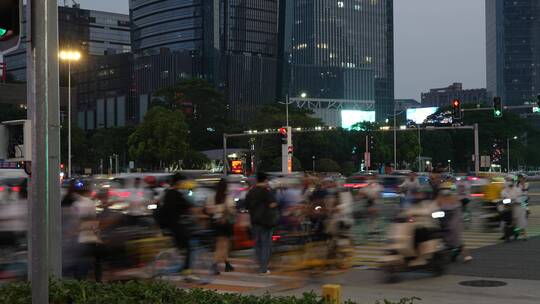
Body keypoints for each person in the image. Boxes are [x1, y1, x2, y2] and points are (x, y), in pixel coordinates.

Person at [158, 173, 197, 277]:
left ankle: (178, 261)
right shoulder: (177, 194)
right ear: (179, 182)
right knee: (189, 247)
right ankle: (187, 271)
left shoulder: (167, 193)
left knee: (180, 247)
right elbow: (188, 206)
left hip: (167, 225)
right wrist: (190, 192)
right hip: (175, 225)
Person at [245, 172, 278, 275]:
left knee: (258, 245)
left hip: (254, 221)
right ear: (265, 180)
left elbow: (246, 206)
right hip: (265, 221)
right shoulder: (266, 191)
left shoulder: (251, 192)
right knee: (266, 245)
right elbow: (273, 204)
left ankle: (260, 265)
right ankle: (263, 268)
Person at [436, 182, 472, 262]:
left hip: (454, 221)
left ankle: (466, 255)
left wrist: (452, 224)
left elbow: (457, 214)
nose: (445, 191)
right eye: (443, 189)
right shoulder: (439, 198)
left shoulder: (454, 198)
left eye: (447, 189)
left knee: (456, 239)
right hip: (442, 220)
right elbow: (434, 208)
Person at [206, 178, 236, 275]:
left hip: (215, 223)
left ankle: (227, 264)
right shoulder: (227, 197)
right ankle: (214, 264)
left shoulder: (212, 197)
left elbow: (208, 210)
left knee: (221, 244)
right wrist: (225, 210)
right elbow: (232, 210)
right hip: (225, 223)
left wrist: (216, 210)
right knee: (223, 245)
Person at [500, 176, 524, 240]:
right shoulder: (503, 191)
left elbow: (519, 200)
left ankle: (516, 233)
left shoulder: (517, 190)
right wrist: (509, 201)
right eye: (507, 181)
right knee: (504, 222)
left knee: (515, 222)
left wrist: (513, 200)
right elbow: (503, 201)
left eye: (510, 181)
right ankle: (505, 234)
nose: (509, 182)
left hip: (516, 209)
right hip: (507, 209)